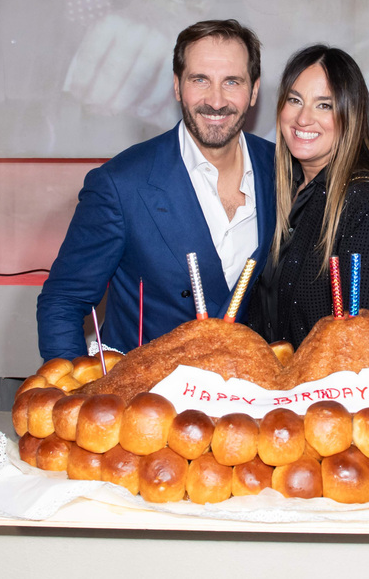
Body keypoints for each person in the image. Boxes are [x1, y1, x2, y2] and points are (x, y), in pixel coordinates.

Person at [37, 19, 276, 360]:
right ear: (177, 86)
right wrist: (76, 387)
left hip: (249, 386)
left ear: (253, 91)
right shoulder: (121, 184)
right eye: (200, 80)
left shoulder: (281, 171)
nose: (216, 100)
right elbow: (63, 301)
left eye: (232, 82)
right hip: (146, 388)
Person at [248, 44, 369, 349]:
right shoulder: (278, 190)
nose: (303, 118)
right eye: (295, 100)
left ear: (350, 115)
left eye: (324, 105)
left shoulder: (368, 206)